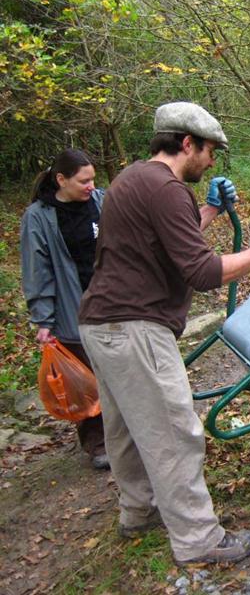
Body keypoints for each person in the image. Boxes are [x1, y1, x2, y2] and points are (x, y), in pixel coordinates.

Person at [78, 102, 250, 566]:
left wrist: (212, 211)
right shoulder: (166, 189)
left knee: (124, 430)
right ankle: (199, 540)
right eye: (209, 151)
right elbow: (200, 271)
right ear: (186, 143)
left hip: (101, 324)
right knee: (173, 431)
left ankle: (138, 511)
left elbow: (167, 245)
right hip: (135, 325)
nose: (212, 161)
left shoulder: (132, 179)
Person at [20, 149, 109, 470]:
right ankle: (97, 443)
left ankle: (124, 436)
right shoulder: (39, 217)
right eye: (83, 181)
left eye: (93, 179)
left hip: (111, 305)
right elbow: (37, 270)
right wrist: (43, 320)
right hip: (71, 311)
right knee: (85, 382)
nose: (91, 186)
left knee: (116, 374)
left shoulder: (101, 201)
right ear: (61, 180)